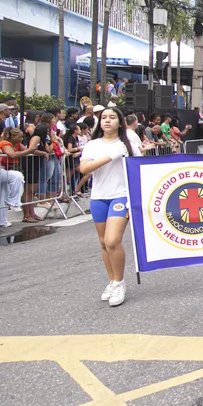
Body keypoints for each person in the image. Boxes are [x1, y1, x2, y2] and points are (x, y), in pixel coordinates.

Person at [79, 107, 141, 307]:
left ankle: (120, 282)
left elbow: (139, 169)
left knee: (113, 240)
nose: (107, 121)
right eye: (103, 117)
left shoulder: (128, 143)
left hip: (121, 196)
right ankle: (113, 281)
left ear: (120, 122)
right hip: (98, 197)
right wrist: (111, 155)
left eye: (112, 117)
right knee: (104, 243)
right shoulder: (93, 145)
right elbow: (84, 168)